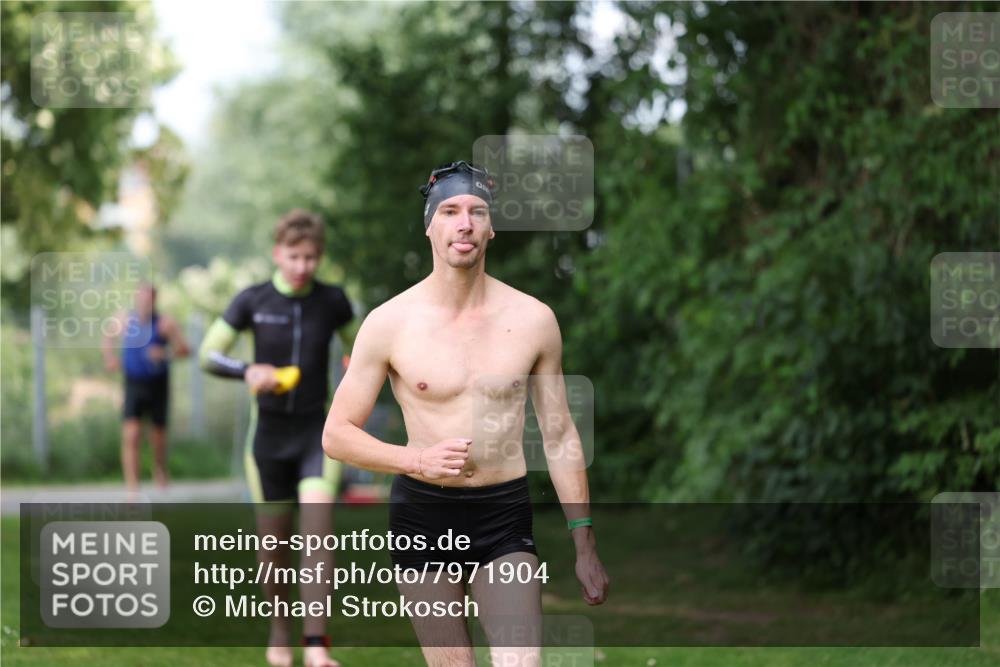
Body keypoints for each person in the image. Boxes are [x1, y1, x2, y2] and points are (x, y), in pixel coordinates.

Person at [322, 161, 609, 667]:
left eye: (477, 212)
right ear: (429, 225)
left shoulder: (533, 320)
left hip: (504, 516)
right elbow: (337, 435)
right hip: (423, 516)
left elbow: (560, 434)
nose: (465, 223)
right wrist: (415, 461)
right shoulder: (389, 323)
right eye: (450, 211)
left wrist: (583, 543)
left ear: (491, 228)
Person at [199, 209, 354, 667]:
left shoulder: (333, 301)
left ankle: (316, 647)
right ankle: (280, 628)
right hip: (267, 440)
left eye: (311, 257)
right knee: (274, 551)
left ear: (319, 257)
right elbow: (209, 354)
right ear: (277, 253)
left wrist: (354, 377)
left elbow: (362, 350)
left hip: (316, 437)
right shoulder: (252, 300)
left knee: (318, 537)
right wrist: (248, 370)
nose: (303, 266)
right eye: (294, 256)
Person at [103, 282, 190, 492]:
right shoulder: (124, 319)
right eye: (141, 297)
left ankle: (159, 468)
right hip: (133, 383)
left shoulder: (165, 323)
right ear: (136, 298)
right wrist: (110, 358)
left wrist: (165, 354)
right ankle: (132, 486)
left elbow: (185, 350)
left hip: (158, 384)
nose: (144, 302)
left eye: (149, 298)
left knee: (157, 435)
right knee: (131, 433)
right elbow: (107, 336)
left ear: (154, 300)